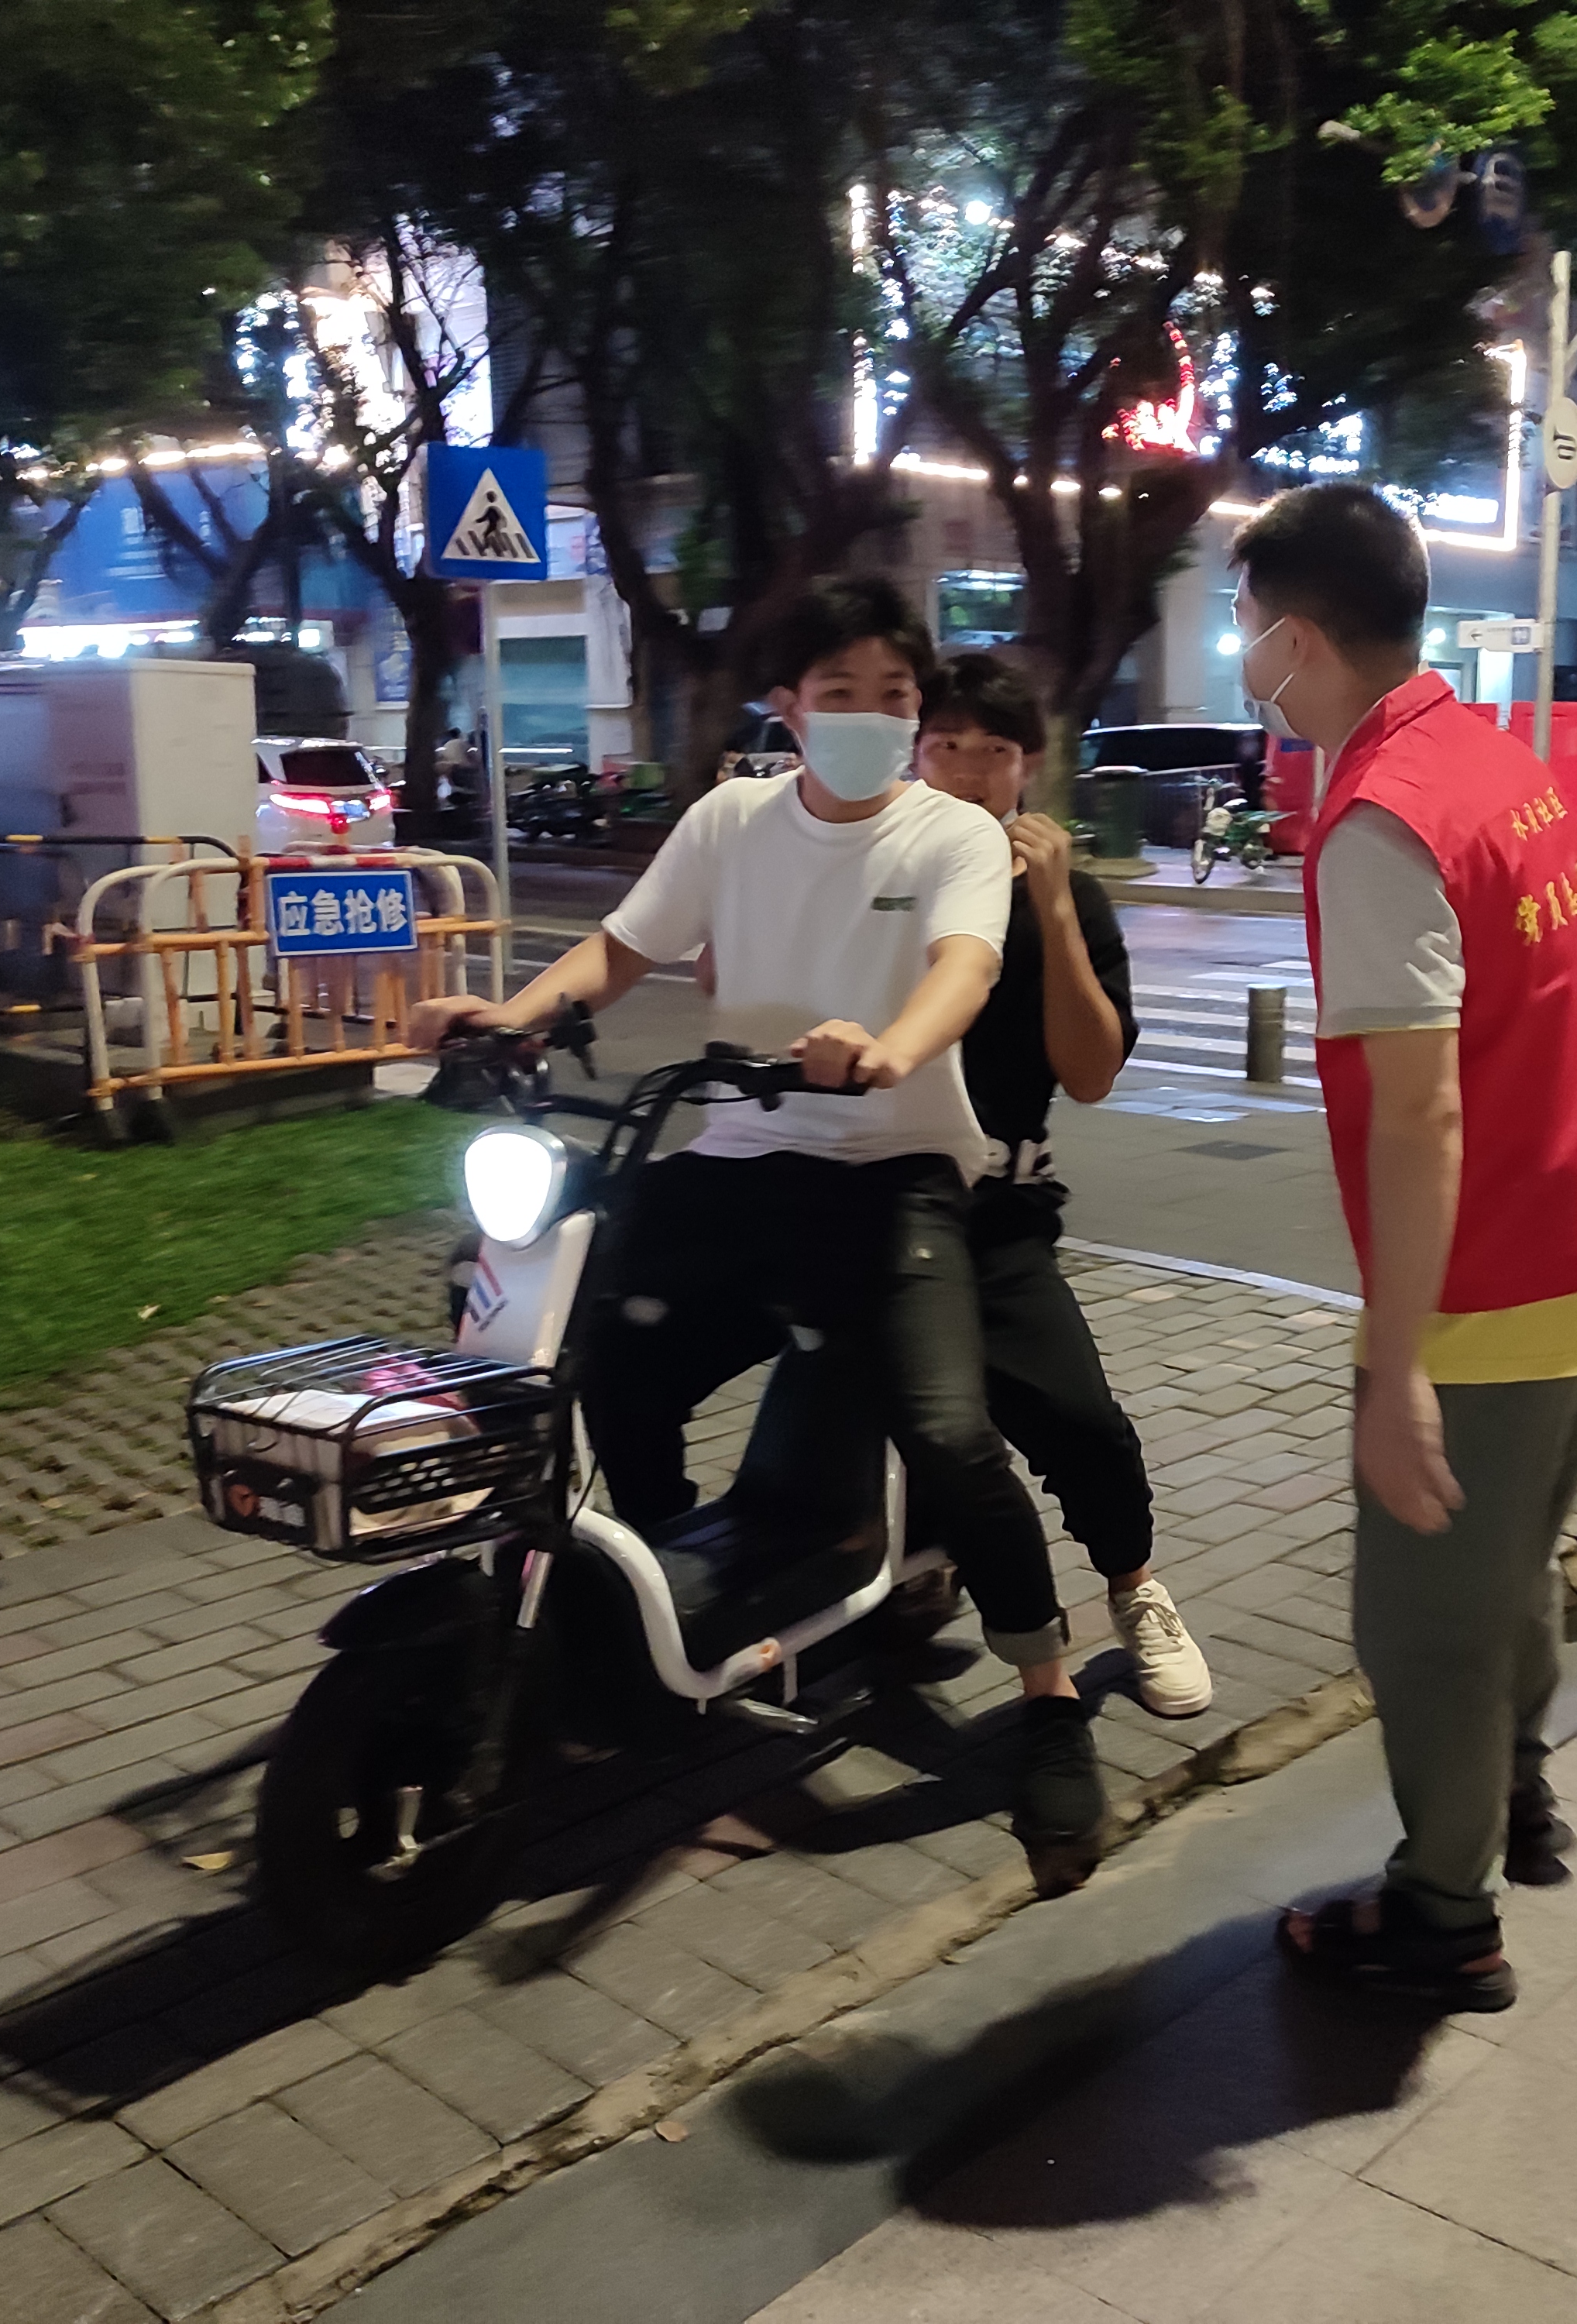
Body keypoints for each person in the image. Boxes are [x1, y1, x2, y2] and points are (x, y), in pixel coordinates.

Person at [407, 577, 1111, 1873]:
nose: (873, 716)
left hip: (894, 1171)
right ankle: (661, 1588)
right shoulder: (731, 821)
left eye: (894, 695)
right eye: (841, 692)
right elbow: (620, 950)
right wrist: (511, 1017)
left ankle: (1049, 1694)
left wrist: (889, 1050)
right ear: (787, 706)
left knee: (952, 1435)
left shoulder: (950, 836)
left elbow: (965, 968)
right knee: (592, 1348)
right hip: (740, 1155)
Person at [1234, 483, 1577, 2012]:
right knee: (1507, 1577)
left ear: (1296, 636)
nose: (1240, 654)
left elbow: (1419, 1116)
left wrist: (1396, 1368)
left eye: (1244, 625)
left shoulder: (1379, 819)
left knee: (1419, 1631)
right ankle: (1516, 1796)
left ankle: (1440, 1914)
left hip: (1486, 1294)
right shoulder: (1488, 762)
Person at [910, 653, 1212, 1719]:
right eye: (946, 745)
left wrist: (1051, 905)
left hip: (997, 1214)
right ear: (914, 754)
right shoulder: (874, 877)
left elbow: (1089, 1073)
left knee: (1078, 1419)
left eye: (993, 751)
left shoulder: (1065, 897)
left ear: (1028, 768)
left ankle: (1134, 1588)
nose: (968, 770)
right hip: (865, 1201)